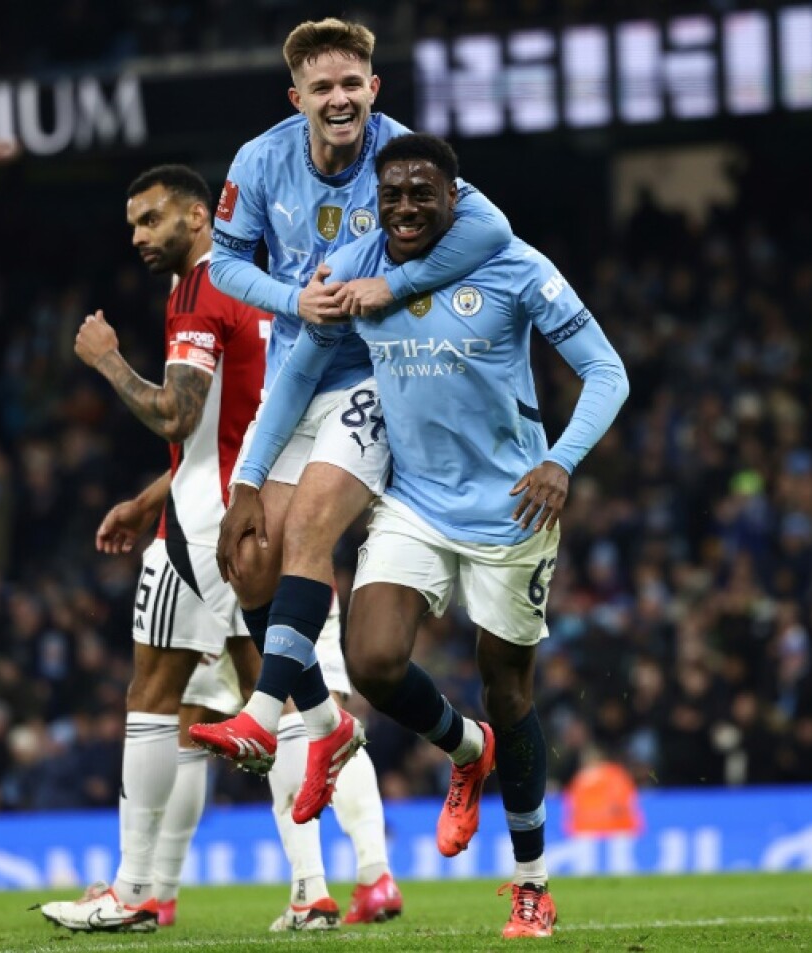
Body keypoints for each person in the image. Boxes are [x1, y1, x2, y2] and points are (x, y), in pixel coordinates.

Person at [229, 133, 628, 937]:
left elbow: (607, 370)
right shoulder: (354, 268)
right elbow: (298, 374)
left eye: (424, 195)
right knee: (373, 662)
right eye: (394, 194)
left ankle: (530, 882)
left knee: (509, 691)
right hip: (415, 501)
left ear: (455, 197)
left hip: (513, 509)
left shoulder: (511, 263)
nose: (406, 208)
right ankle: (462, 747)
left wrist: (561, 461)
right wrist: (246, 478)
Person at [36, 165, 397, 935]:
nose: (136, 235)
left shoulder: (201, 292)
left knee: (154, 695)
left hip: (205, 528)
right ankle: (313, 889)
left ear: (199, 217)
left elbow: (175, 416)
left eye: (151, 219)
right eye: (132, 223)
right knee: (282, 705)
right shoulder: (265, 291)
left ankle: (135, 891)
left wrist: (104, 356)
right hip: (268, 514)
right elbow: (232, 431)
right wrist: (146, 495)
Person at [191, 18, 508, 844]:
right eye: (321, 88)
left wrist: (387, 287)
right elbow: (222, 264)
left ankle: (263, 716)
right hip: (298, 366)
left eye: (351, 84)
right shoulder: (259, 162)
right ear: (295, 98)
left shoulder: (401, 157)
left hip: (380, 372)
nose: (339, 99)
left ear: (375, 88)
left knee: (307, 532)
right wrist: (290, 299)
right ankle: (353, 728)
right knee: (252, 560)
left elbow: (487, 228)